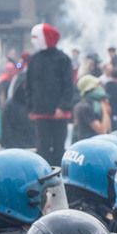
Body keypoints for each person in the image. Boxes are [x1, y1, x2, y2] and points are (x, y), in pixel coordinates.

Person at [25, 23, 76, 167]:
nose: (32, 40)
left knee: (59, 147)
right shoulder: (34, 59)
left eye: (35, 37)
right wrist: (30, 107)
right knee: (42, 148)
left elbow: (68, 85)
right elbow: (29, 85)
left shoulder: (63, 59)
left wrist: (63, 106)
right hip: (40, 111)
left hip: (59, 112)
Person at [72, 74, 112, 143]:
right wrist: (104, 109)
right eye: (97, 86)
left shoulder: (96, 105)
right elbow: (102, 131)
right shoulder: (85, 107)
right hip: (89, 145)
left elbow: (109, 129)